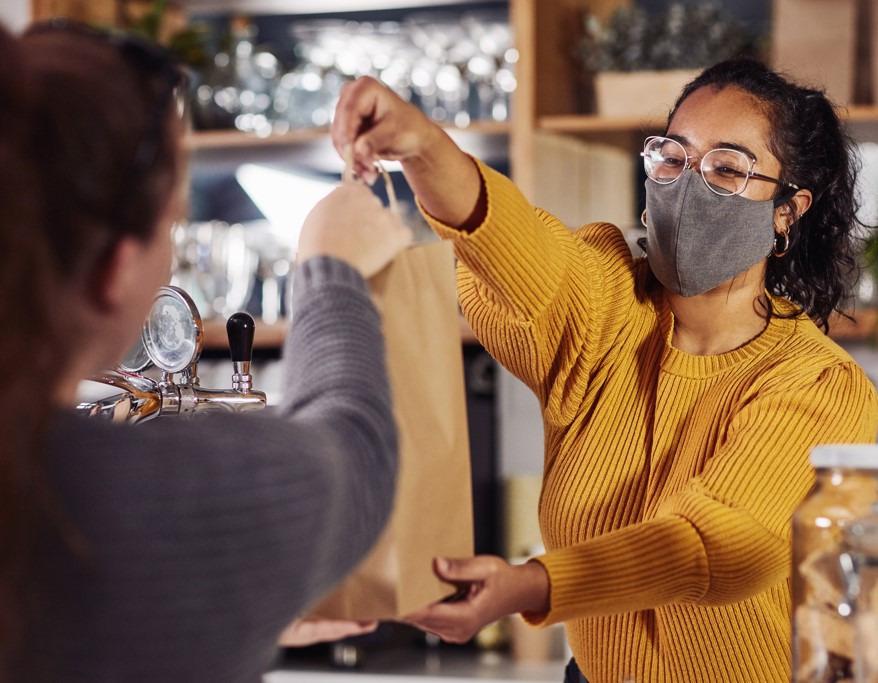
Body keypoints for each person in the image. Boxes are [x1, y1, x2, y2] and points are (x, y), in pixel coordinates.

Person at [332, 59, 878, 682]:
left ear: (787, 211)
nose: (688, 186)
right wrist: (423, 146)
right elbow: (512, 245)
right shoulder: (608, 307)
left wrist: (532, 585)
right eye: (672, 157)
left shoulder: (818, 385)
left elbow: (721, 545)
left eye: (727, 169)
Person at [0, 20, 411, 683]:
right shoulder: (157, 495)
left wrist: (226, 609)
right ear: (116, 269)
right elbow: (355, 449)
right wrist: (330, 265)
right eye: (172, 221)